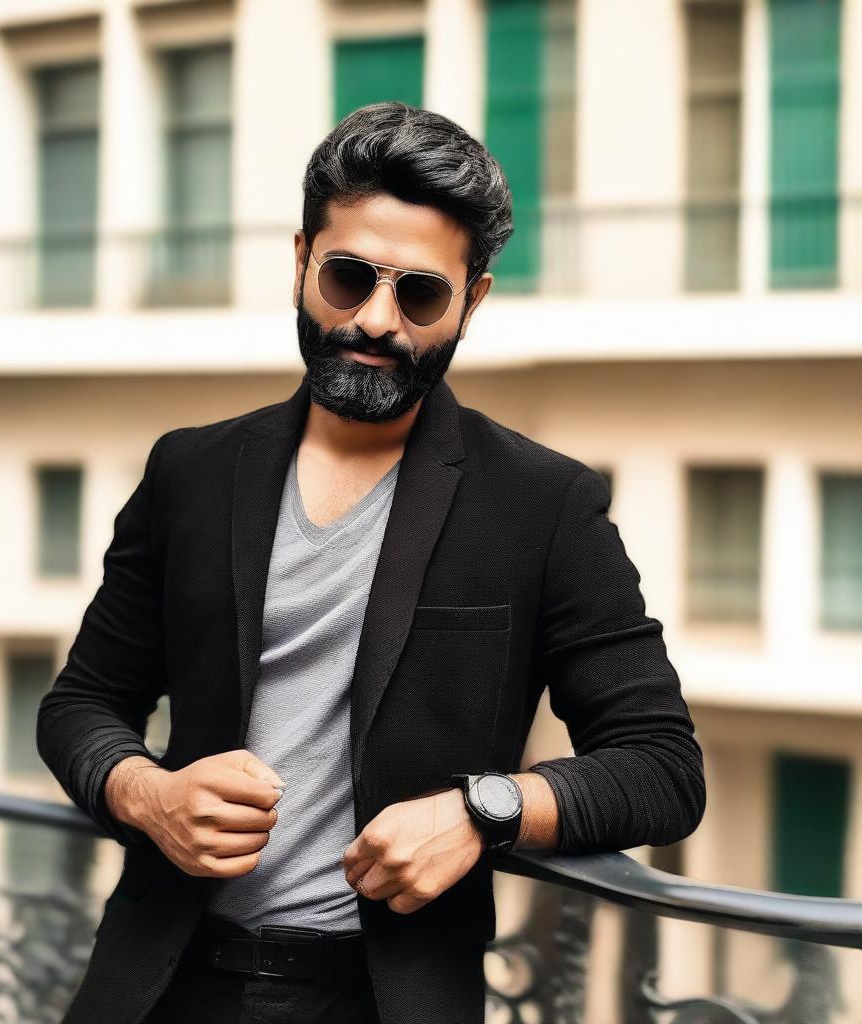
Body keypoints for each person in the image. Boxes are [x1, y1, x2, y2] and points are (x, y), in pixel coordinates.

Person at [37, 101, 706, 1024]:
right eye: (348, 277)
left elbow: (663, 768)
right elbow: (81, 705)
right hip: (158, 983)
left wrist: (484, 810)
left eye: (421, 294)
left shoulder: (545, 505)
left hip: (386, 999)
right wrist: (146, 791)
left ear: (472, 299)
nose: (376, 320)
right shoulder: (189, 469)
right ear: (303, 259)